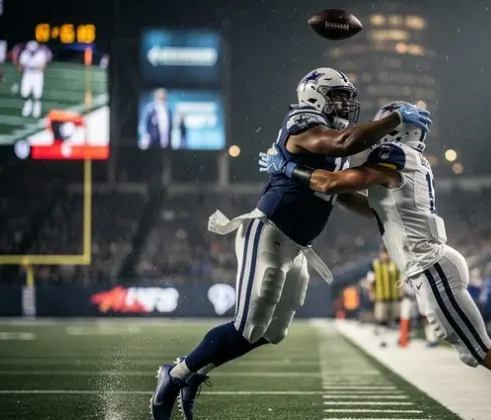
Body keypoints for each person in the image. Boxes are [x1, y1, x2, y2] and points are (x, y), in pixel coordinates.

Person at [260, 100, 491, 417]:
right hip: (431, 265)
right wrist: (322, 184)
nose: (375, 135)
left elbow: (331, 183)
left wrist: (288, 168)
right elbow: (369, 207)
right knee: (474, 349)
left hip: (431, 266)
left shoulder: (394, 154)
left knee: (478, 349)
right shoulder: (407, 159)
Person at [149, 68, 431, 420]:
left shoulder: (334, 141)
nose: (345, 104)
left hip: (296, 246)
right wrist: (395, 118)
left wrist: (389, 211)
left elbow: (340, 192)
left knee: (272, 332)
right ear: (314, 95)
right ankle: (175, 375)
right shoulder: (303, 120)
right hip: (268, 232)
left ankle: (195, 371)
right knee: (247, 325)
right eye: (337, 96)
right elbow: (344, 143)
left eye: (347, 97)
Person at [369, 247, 402, 346]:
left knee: (396, 319)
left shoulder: (395, 264)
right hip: (381, 298)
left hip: (394, 297)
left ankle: (397, 339)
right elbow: (370, 281)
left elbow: (400, 279)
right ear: (380, 254)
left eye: (387, 253)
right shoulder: (375, 265)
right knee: (382, 320)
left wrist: (401, 292)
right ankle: (382, 340)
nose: (385, 256)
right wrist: (372, 293)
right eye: (383, 253)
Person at [18, 40, 48, 119]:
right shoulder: (24, 54)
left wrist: (35, 67)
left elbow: (43, 66)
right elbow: (20, 66)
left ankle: (37, 108)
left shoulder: (41, 54)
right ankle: (27, 105)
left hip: (37, 75)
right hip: (27, 75)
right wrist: (22, 67)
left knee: (37, 93)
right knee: (24, 92)